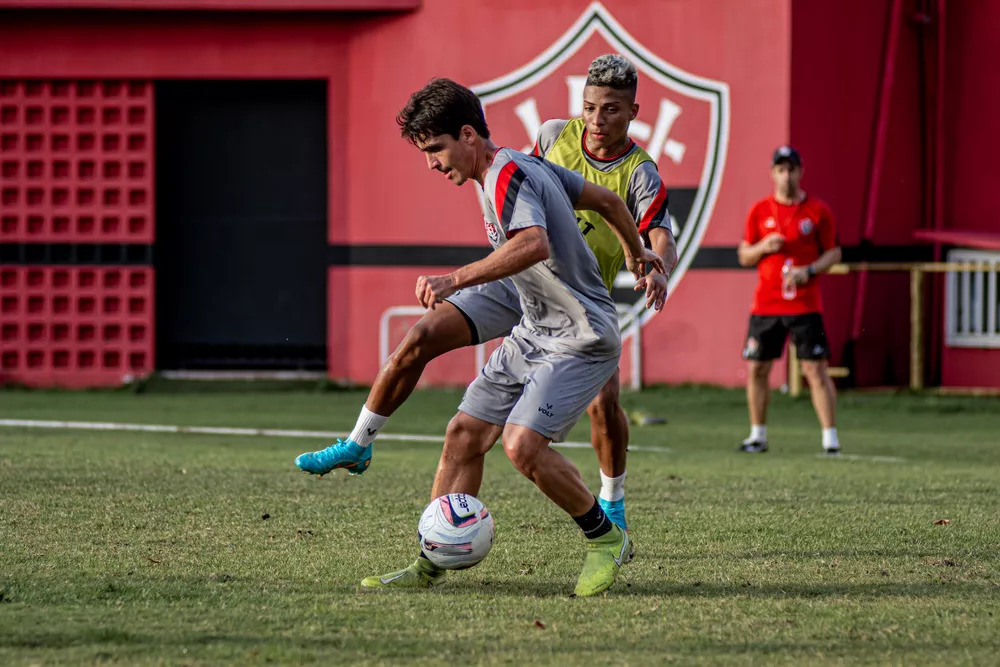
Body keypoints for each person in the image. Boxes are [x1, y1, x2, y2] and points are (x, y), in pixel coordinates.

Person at [295, 55, 677, 533]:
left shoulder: (639, 170)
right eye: (590, 107)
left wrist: (648, 262)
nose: (597, 120)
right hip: (520, 281)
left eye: (611, 110)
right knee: (424, 333)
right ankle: (359, 442)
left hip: (577, 299)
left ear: (633, 112)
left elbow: (641, 225)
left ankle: (611, 501)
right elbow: (534, 208)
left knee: (602, 403)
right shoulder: (551, 138)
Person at [361, 78, 663, 596]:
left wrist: (453, 279)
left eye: (436, 149)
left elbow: (534, 244)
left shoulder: (506, 175)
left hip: (581, 336)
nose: (432, 163)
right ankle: (431, 561)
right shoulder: (522, 164)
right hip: (536, 327)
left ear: (467, 135)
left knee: (522, 445)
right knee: (463, 435)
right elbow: (610, 202)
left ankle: (605, 538)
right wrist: (636, 253)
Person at [737, 146, 842, 455]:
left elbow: (834, 252)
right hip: (766, 304)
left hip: (805, 305)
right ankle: (757, 435)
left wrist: (808, 270)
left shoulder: (817, 211)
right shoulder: (760, 210)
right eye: (780, 170)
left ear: (800, 172)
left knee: (815, 370)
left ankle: (830, 439)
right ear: (772, 174)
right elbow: (744, 255)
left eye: (791, 169)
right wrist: (764, 247)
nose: (786, 176)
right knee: (758, 368)